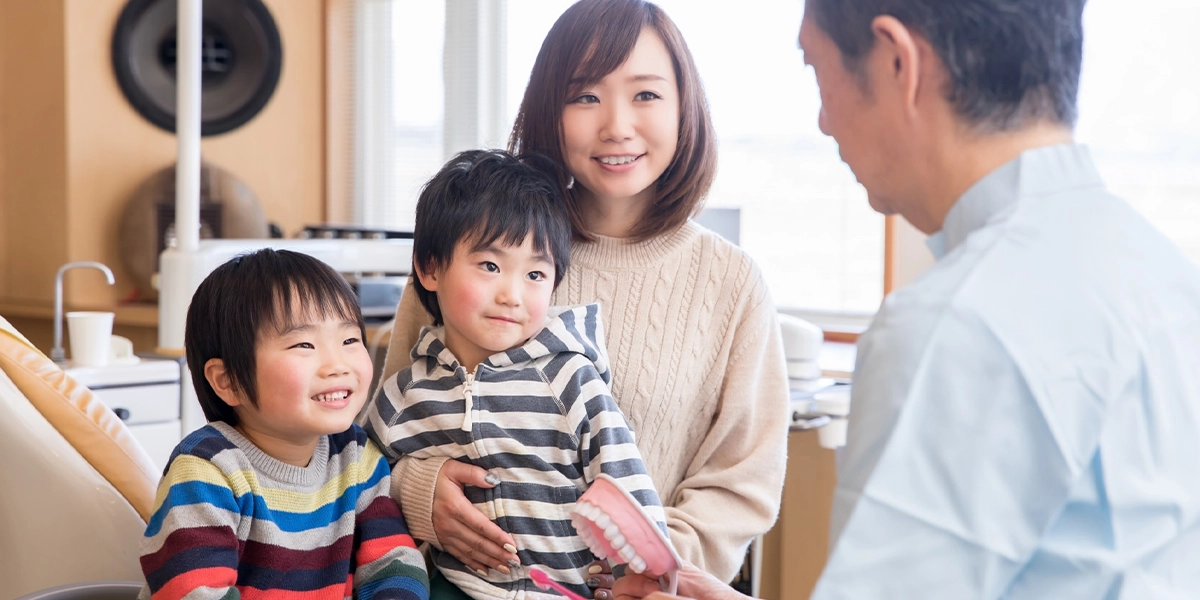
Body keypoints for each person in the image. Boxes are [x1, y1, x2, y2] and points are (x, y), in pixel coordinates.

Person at [614, 0, 1200, 598]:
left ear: (898, 62)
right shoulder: (1164, 275)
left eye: (818, 72)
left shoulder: (953, 325)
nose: (822, 120)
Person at [372, 0, 789, 596]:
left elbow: (739, 484)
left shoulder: (733, 281)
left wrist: (644, 565)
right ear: (548, 108)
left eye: (645, 95)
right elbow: (392, 425)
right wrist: (416, 490)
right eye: (585, 96)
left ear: (684, 106)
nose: (616, 125)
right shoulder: (474, 248)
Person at [364, 149, 671, 599]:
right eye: (490, 266)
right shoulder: (402, 397)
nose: (512, 294)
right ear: (430, 268)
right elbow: (360, 481)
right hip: (459, 587)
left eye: (534, 273)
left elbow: (624, 474)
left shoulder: (569, 378)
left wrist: (647, 571)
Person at [138, 249, 430, 600]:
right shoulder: (206, 472)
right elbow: (196, 593)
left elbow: (393, 564)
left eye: (349, 340)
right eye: (304, 344)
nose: (337, 364)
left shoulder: (355, 455)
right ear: (228, 380)